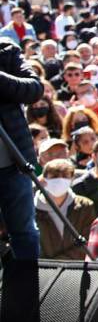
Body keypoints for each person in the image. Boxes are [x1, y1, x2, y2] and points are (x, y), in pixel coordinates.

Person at [0, 39, 44, 260]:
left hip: (12, 165)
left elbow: (34, 89)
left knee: (24, 232)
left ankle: (27, 290)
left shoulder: (6, 50)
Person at [35, 158, 95, 260]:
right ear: (44, 179)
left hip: (75, 269)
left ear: (72, 179)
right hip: (40, 270)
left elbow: (88, 240)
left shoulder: (85, 206)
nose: (60, 180)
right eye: (54, 176)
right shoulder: (31, 208)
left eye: (65, 176)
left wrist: (62, 262)